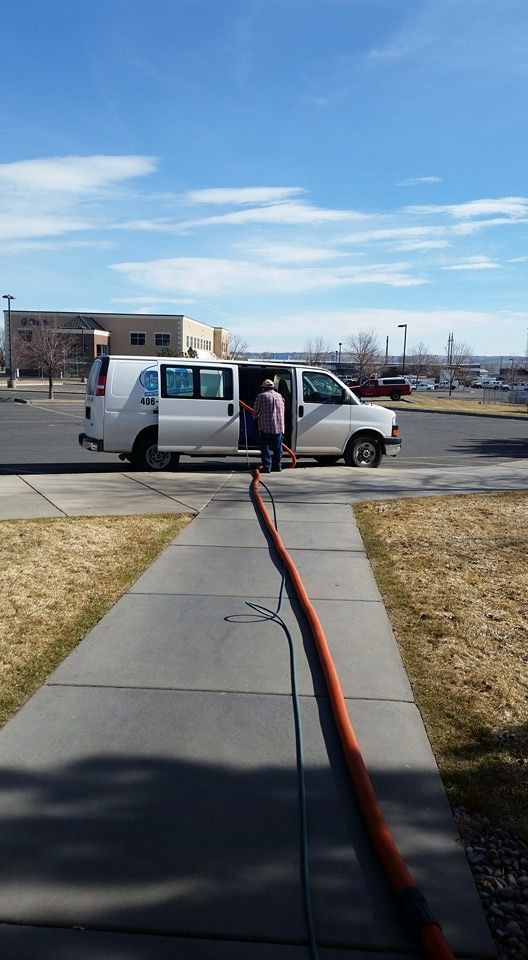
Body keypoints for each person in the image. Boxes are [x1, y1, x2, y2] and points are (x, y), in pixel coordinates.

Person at [253, 378, 285, 473]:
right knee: (278, 448)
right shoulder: (280, 396)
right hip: (279, 427)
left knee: (265, 448)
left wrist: (257, 416)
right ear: (273, 387)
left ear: (264, 388)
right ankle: (277, 466)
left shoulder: (261, 396)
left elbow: (255, 412)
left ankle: (267, 467)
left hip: (265, 427)